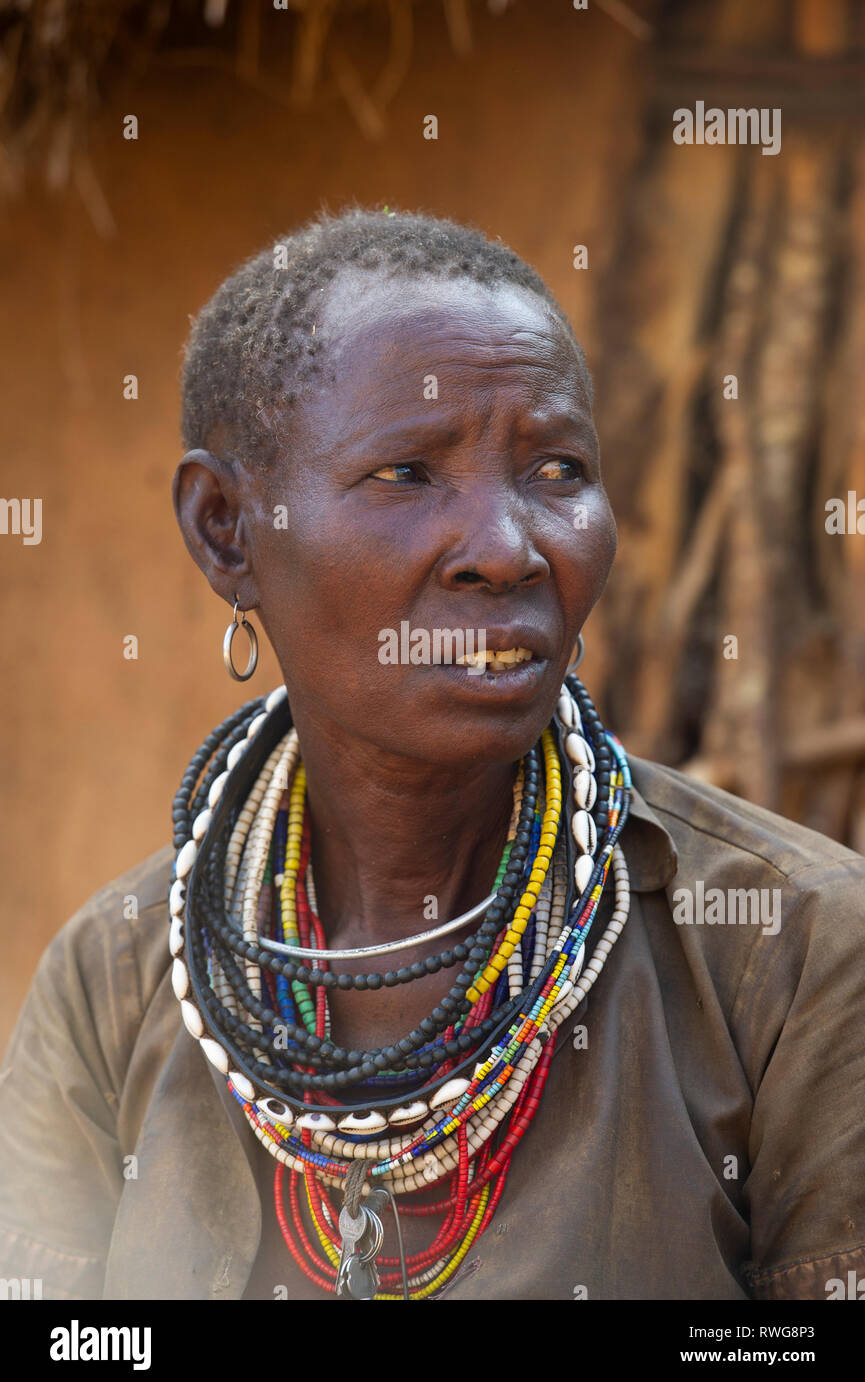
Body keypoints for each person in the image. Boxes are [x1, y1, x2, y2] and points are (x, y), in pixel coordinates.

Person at [2, 206, 864, 1302]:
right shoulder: (116, 977)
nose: (507, 549)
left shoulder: (789, 954)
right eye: (407, 474)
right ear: (227, 528)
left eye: (556, 469)